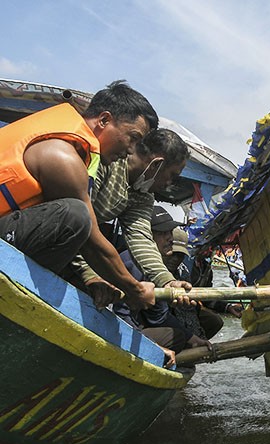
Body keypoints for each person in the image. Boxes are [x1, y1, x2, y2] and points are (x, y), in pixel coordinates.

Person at [0, 80, 158, 311]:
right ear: (104, 120)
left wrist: (92, 278)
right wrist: (134, 288)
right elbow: (90, 242)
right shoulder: (63, 156)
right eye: (132, 137)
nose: (131, 150)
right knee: (76, 215)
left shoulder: (80, 151)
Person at [67, 128, 193, 307]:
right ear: (157, 164)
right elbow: (75, 223)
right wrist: (89, 274)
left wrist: (167, 281)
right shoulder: (105, 164)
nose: (169, 184)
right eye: (172, 175)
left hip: (80, 252)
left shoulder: (143, 194)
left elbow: (140, 237)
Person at [112, 206, 212, 365]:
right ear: (146, 235)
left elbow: (160, 316)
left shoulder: (157, 270)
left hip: (134, 326)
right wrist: (153, 347)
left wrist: (193, 339)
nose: (169, 238)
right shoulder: (130, 263)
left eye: (170, 232)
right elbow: (119, 315)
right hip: (115, 329)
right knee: (175, 337)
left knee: (181, 334)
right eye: (162, 233)